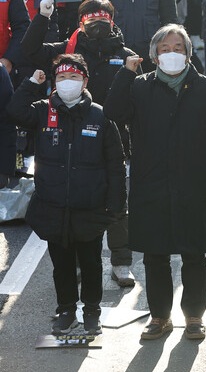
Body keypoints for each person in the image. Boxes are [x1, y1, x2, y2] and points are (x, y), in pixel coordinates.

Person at [104, 25, 206, 342]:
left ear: (189, 53)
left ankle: (194, 317)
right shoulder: (140, 87)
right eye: (164, 48)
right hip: (151, 182)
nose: (171, 53)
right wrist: (124, 74)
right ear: (153, 55)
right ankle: (160, 316)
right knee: (154, 254)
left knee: (194, 253)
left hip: (194, 183)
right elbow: (113, 113)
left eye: (178, 47)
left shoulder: (204, 88)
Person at [20, 0, 140, 286]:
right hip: (70, 137)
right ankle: (74, 258)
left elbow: (139, 101)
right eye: (89, 18)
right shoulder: (66, 51)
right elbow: (29, 50)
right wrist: (42, 18)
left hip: (113, 137)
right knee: (73, 196)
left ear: (112, 21)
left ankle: (121, 260)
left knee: (116, 196)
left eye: (102, 17)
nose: (96, 23)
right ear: (80, 23)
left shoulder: (126, 55)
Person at [6, 53, 125, 336]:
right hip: (53, 206)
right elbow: (14, 110)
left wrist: (116, 204)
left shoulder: (100, 114)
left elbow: (116, 164)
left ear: (84, 81)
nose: (67, 82)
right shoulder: (42, 110)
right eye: (61, 77)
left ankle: (92, 312)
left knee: (92, 263)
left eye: (73, 77)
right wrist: (31, 82)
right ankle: (66, 309)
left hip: (90, 207)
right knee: (61, 265)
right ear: (54, 82)